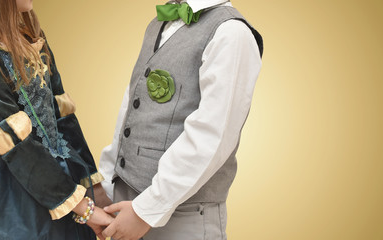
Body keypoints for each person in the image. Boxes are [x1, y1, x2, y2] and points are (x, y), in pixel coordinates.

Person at [0, 0, 112, 239]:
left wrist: (93, 187)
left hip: (59, 180)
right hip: (6, 191)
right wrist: (83, 208)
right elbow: (16, 144)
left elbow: (61, 116)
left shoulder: (31, 38)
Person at [98, 0, 264, 239]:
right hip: (126, 203)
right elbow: (131, 109)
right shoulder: (158, 24)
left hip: (183, 214)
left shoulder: (231, 33)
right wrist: (107, 183)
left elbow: (212, 135)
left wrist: (146, 210)